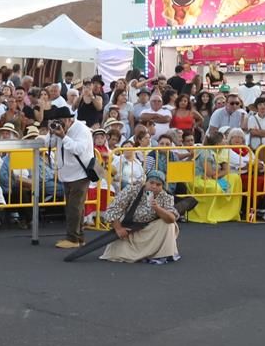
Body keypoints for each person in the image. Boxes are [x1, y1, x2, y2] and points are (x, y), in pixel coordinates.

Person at [44, 105, 97, 250]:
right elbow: (47, 143)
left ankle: (73, 238)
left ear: (69, 119)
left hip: (80, 174)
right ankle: (78, 237)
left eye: (61, 121)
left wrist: (63, 137)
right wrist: (51, 132)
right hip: (66, 174)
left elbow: (78, 149)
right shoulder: (60, 130)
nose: (59, 124)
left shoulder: (82, 130)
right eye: (57, 121)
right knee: (74, 207)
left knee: (74, 207)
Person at [100, 170, 182, 264]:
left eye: (158, 184)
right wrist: (118, 229)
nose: (154, 186)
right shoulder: (132, 190)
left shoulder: (166, 196)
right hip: (130, 230)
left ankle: (160, 255)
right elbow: (113, 209)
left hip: (151, 230)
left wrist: (157, 208)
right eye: (151, 183)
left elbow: (171, 218)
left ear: (162, 186)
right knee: (116, 255)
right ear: (146, 182)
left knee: (169, 225)